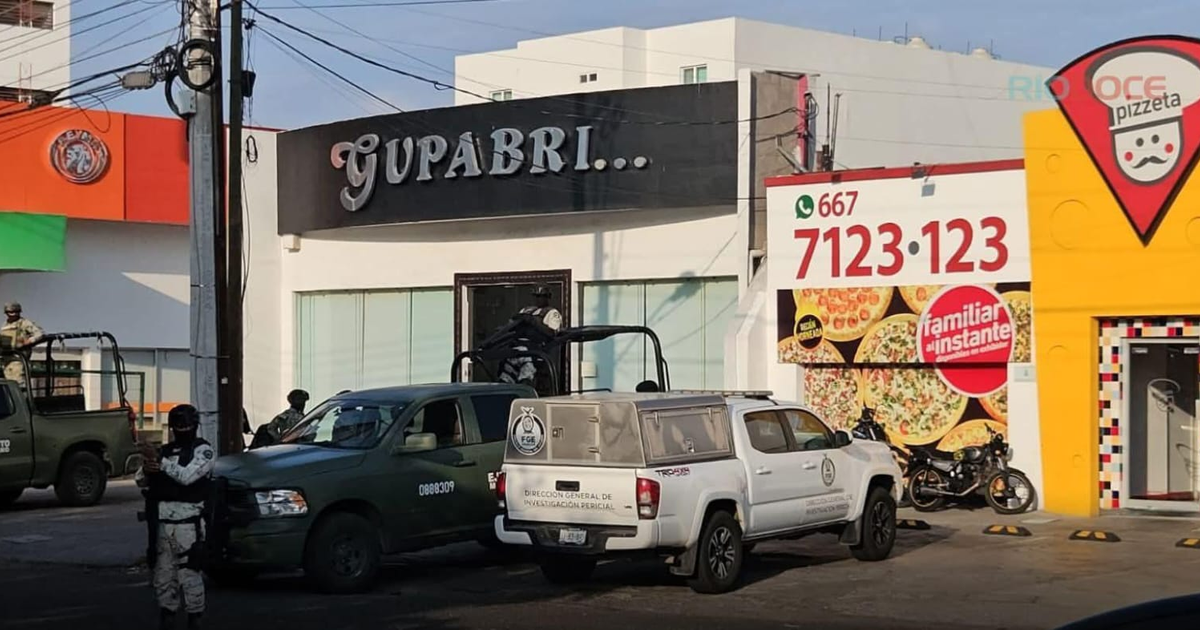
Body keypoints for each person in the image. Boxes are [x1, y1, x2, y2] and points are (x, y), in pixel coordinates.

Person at [135, 404, 215, 630]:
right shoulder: (167, 451)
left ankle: (195, 619)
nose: (182, 429)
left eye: (185, 425)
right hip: (163, 525)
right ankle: (167, 617)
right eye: (178, 425)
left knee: (189, 576)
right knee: (163, 578)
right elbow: (141, 480)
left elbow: (188, 476)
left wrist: (160, 463)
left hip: (188, 525)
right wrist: (149, 465)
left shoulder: (203, 450)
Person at [500, 286, 563, 391]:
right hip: (515, 350)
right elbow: (512, 325)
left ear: (548, 297)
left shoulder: (552, 313)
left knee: (525, 381)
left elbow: (552, 333)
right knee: (505, 380)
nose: (539, 299)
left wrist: (533, 322)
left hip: (534, 353)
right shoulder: (526, 310)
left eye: (542, 296)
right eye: (536, 296)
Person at [1, 302, 44, 384]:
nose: (11, 314)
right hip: (7, 359)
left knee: (17, 384)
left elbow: (39, 333)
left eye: (14, 312)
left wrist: (28, 341)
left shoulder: (24, 323)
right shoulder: (5, 325)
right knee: (9, 384)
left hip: (19, 358)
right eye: (9, 312)